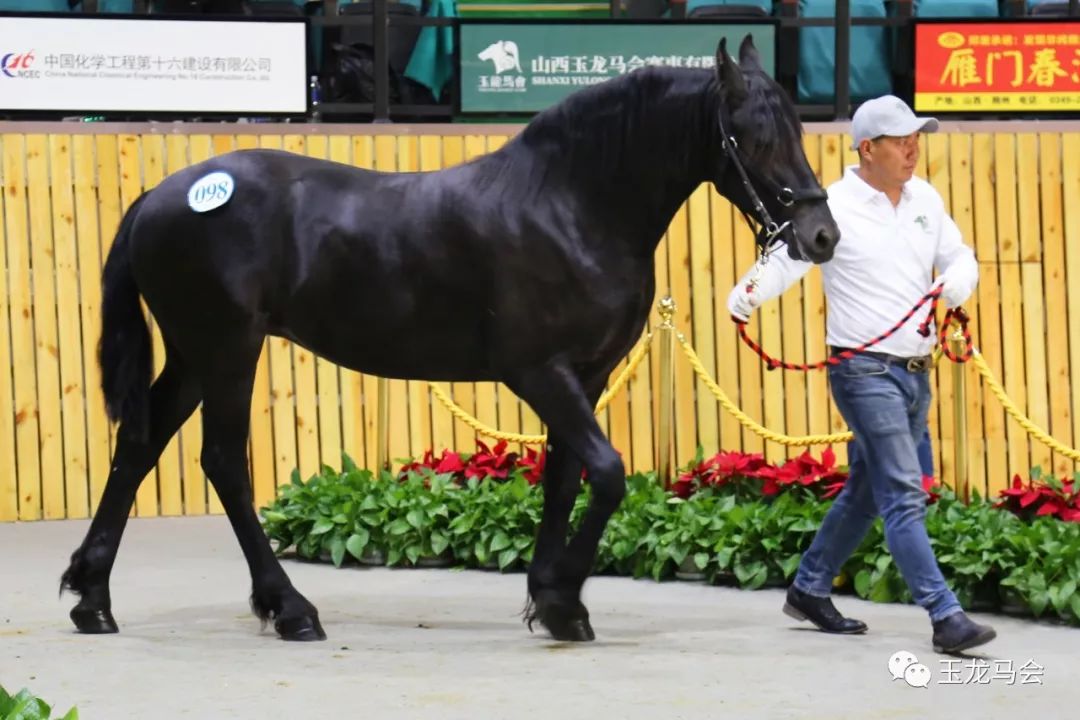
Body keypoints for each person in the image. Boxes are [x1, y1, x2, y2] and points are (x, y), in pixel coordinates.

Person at [726, 95, 996, 654]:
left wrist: (957, 282)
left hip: (917, 369)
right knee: (902, 492)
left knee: (869, 492)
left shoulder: (925, 197)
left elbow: (959, 254)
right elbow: (789, 258)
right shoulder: (835, 206)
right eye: (902, 140)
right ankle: (945, 617)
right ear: (868, 148)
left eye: (916, 138)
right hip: (862, 370)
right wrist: (746, 296)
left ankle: (808, 587)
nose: (913, 149)